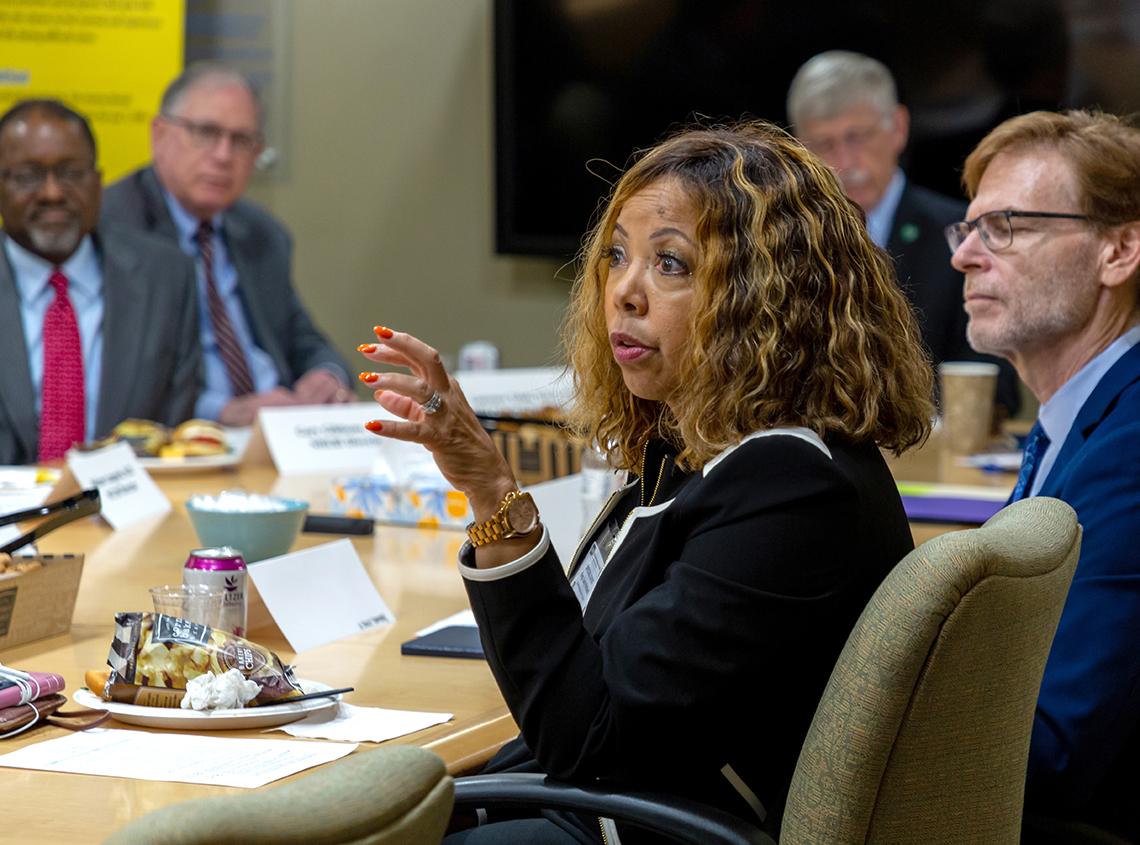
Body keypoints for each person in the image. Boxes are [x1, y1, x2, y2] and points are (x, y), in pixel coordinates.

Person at [357, 122, 934, 842]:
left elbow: (589, 737)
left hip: (650, 826)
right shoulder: (705, 452)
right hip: (622, 804)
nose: (623, 292)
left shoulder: (792, 488)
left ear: (765, 299)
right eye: (617, 256)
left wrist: (491, 491)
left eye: (672, 264)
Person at [948, 109, 1140, 840]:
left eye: (1006, 227)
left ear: (1119, 250)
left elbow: (1055, 747)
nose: (966, 254)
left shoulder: (1131, 440)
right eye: (967, 229)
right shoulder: (1081, 416)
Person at [101, 62, 352, 427]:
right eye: (205, 133)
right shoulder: (113, 229)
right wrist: (221, 411)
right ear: (160, 134)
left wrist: (325, 375)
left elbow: (302, 337)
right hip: (182, 437)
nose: (222, 156)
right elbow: (118, 375)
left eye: (241, 140)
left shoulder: (262, 233)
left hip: (278, 428)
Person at [788, 49, 1021, 419]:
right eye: (824, 145)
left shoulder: (963, 238)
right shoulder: (786, 246)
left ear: (898, 127)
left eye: (857, 137)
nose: (845, 162)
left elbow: (996, 385)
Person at [0, 99, 201, 465]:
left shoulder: (166, 279)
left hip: (132, 513)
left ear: (97, 182)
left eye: (70, 173)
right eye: (28, 176)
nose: (52, 194)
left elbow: (173, 433)